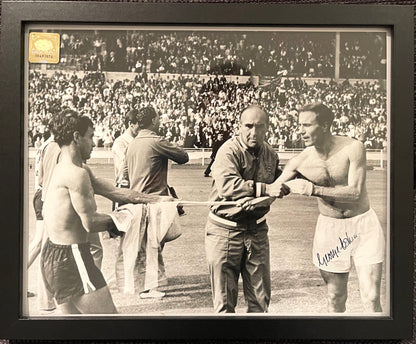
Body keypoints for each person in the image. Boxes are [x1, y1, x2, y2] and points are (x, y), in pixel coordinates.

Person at [41, 109, 164, 314]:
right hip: (71, 256)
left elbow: (115, 192)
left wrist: (156, 200)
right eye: (90, 136)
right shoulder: (76, 174)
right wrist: (130, 218)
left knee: (74, 333)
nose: (93, 142)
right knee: (111, 326)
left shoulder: (68, 168)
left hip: (54, 254)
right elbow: (90, 223)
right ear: (76, 137)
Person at [266, 102, 385, 313]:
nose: (300, 130)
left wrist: (313, 189)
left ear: (325, 125)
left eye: (307, 125)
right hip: (330, 230)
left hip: (363, 225)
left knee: (372, 297)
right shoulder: (299, 161)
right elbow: (272, 191)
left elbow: (355, 192)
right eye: (299, 125)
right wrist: (244, 200)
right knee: (335, 297)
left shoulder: (353, 147)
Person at [205, 105, 289, 313]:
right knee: (224, 304)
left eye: (259, 127)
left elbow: (276, 186)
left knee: (260, 302)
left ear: (267, 127)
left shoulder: (270, 153)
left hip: (257, 231)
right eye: (248, 126)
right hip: (225, 231)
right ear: (239, 126)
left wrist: (280, 188)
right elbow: (228, 187)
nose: (253, 132)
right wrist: (266, 189)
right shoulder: (228, 151)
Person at [124, 106, 189, 299]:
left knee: (147, 243)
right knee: (153, 244)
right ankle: (148, 288)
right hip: (155, 201)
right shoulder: (156, 141)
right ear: (152, 121)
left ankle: (144, 284)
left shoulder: (133, 143)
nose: (160, 122)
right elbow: (183, 157)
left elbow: (125, 174)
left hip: (137, 200)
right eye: (158, 119)